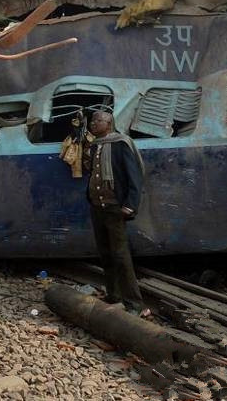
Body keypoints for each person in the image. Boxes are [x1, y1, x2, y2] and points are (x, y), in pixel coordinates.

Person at [83, 110, 146, 314]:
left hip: (114, 208)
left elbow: (134, 176)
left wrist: (130, 204)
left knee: (120, 255)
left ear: (109, 123)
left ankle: (134, 304)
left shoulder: (121, 143)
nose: (93, 124)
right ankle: (114, 295)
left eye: (97, 120)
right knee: (105, 253)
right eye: (92, 121)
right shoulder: (94, 146)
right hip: (97, 207)